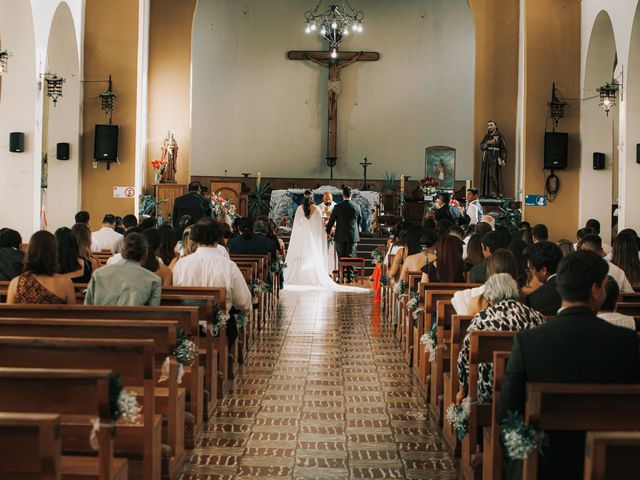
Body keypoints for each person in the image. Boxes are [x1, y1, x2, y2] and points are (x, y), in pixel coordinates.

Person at [498, 251, 640, 480]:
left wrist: (520, 455)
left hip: (543, 462)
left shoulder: (528, 342)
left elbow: (507, 411)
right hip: (610, 462)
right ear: (595, 290)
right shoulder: (625, 341)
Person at [456, 274, 546, 406]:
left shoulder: (482, 318)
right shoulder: (537, 317)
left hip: (489, 390)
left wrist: (462, 392)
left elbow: (465, 356)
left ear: (491, 300)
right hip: (526, 389)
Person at [172, 219, 252, 315]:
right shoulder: (229, 266)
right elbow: (244, 302)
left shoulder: (181, 264)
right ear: (218, 237)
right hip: (222, 325)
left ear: (195, 237)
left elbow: (175, 295)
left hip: (188, 324)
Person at [85, 232, 162, 306]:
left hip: (101, 318)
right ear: (145, 255)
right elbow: (152, 313)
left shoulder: (98, 274)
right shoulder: (154, 280)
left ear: (121, 252)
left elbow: (87, 307)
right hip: (134, 319)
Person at [283, 190, 336, 288]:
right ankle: (311, 276)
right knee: (312, 257)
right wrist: (326, 234)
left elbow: (297, 226)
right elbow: (319, 226)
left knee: (302, 257)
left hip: (302, 238)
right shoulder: (316, 209)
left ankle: (300, 276)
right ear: (312, 198)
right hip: (313, 239)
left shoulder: (299, 208)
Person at [6, 230, 76, 304]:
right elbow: (72, 314)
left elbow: (9, 313)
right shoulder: (66, 284)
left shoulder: (16, 283)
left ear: (30, 252)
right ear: (54, 254)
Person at [452, 248, 518, 316]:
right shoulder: (522, 300)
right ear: (514, 272)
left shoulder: (476, 302)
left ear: (490, 271)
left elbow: (469, 325)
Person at [524, 241, 564, 315]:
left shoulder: (536, 298)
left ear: (543, 270)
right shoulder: (577, 286)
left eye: (531, 268)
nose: (532, 272)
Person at [326, 186, 362, 260]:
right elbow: (359, 221)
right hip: (352, 237)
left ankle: (341, 271)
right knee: (351, 259)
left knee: (341, 258)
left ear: (343, 195)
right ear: (351, 195)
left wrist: (328, 231)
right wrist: (356, 230)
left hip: (340, 237)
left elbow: (331, 221)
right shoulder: (357, 207)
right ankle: (350, 271)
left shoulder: (337, 207)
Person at [479, 120, 507, 198]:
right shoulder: (487, 136)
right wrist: (488, 143)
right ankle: (486, 194)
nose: (489, 127)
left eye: (491, 125)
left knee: (493, 175)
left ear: (495, 125)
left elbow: (503, 149)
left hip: (495, 157)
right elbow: (481, 146)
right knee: (486, 174)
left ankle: (495, 194)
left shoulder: (500, 136)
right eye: (488, 125)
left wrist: (503, 159)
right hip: (487, 158)